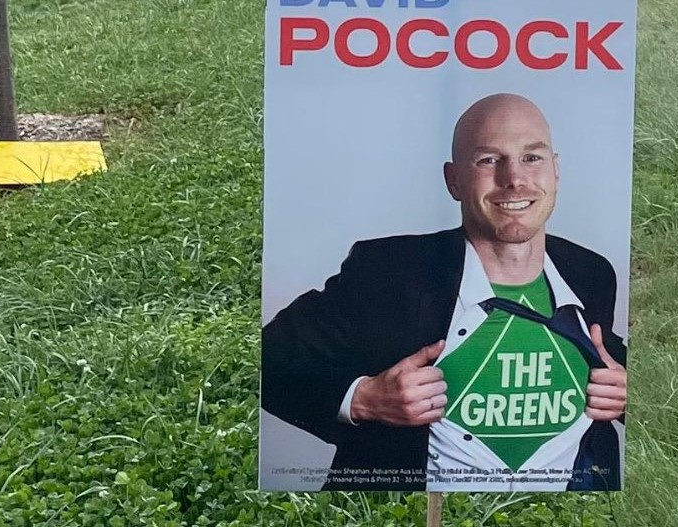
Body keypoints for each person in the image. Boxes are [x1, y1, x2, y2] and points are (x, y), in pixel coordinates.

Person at [261, 93, 627, 491]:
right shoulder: (386, 272)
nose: (514, 179)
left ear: (556, 170)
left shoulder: (591, 273)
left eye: (532, 158)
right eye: (488, 160)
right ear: (453, 180)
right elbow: (268, 358)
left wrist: (629, 392)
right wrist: (364, 398)